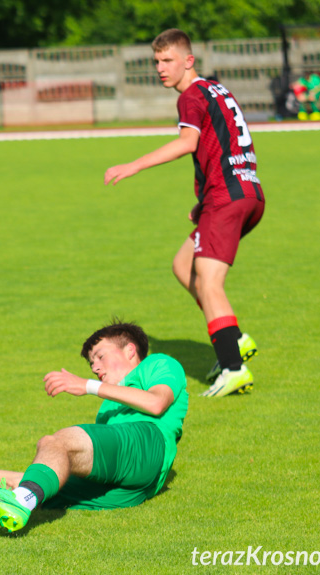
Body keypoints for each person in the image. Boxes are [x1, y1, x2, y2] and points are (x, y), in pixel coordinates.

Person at [104, 29, 264, 398]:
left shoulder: (191, 95)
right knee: (183, 264)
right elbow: (222, 142)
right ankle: (233, 339)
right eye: (156, 61)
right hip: (246, 191)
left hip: (227, 196)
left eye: (168, 61)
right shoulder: (216, 89)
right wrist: (205, 199)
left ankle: (233, 366)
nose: (160, 68)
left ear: (188, 61)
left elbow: (187, 143)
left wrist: (134, 165)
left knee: (209, 283)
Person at [0, 321, 188, 533]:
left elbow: (157, 403)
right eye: (91, 363)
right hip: (127, 489)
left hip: (148, 442)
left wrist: (88, 385)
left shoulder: (157, 363)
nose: (95, 367)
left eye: (100, 356)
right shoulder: (107, 409)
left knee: (56, 442)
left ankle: (21, 500)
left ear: (130, 350)